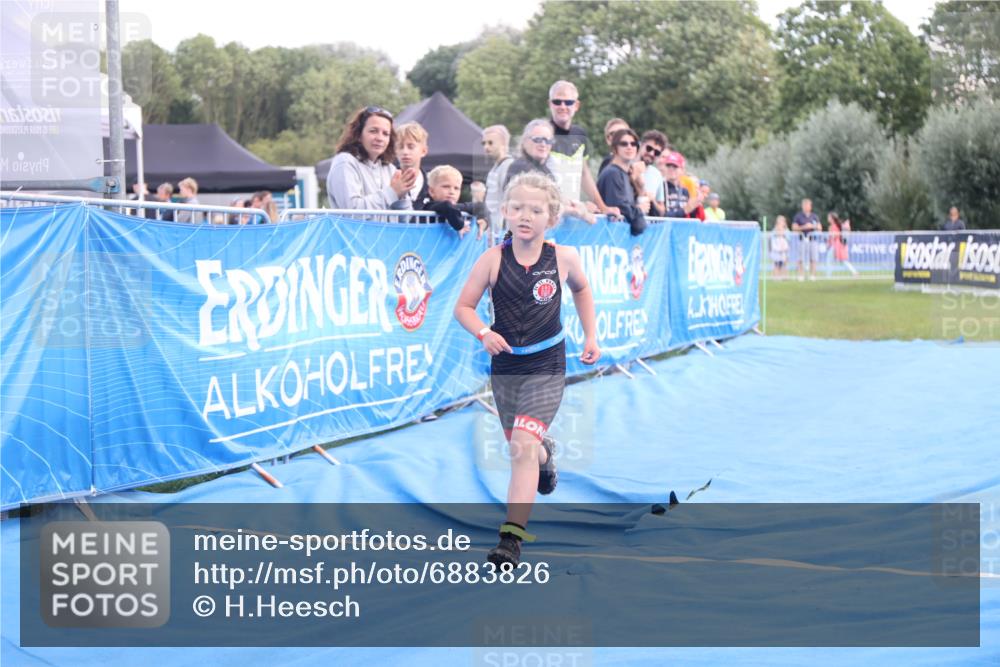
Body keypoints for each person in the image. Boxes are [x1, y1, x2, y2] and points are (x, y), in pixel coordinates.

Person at [453, 172, 601, 567]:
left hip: (547, 363)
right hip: (505, 368)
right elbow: (462, 307)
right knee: (521, 448)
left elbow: (583, 290)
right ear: (505, 212)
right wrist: (484, 332)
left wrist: (591, 336)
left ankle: (511, 539)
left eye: (535, 210)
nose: (525, 215)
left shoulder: (564, 258)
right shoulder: (492, 260)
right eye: (517, 207)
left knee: (520, 444)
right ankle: (543, 454)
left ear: (551, 218)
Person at [546, 80, 616, 215]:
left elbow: (584, 173)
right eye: (557, 102)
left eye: (568, 102)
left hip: (573, 215)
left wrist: (603, 207)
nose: (562, 106)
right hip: (548, 215)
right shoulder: (541, 133)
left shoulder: (580, 134)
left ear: (576, 105)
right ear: (550, 104)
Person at [326, 106, 416, 210]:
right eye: (373, 131)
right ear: (359, 134)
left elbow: (405, 219)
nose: (380, 138)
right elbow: (352, 211)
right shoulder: (345, 162)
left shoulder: (390, 169)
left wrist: (402, 196)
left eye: (386, 134)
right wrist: (393, 192)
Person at [596, 128, 647, 235]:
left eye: (633, 144)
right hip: (610, 238)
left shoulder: (625, 174)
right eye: (624, 144)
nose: (629, 147)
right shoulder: (612, 173)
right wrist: (639, 211)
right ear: (615, 148)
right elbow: (620, 208)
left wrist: (641, 188)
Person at [416, 165, 487, 235]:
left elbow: (480, 206)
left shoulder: (455, 207)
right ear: (431, 191)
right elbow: (447, 206)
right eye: (446, 187)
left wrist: (484, 220)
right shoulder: (429, 206)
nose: (451, 192)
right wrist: (460, 225)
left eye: (456, 188)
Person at [482, 125, 515, 240]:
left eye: (491, 143)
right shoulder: (496, 167)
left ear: (503, 144)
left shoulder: (508, 166)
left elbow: (510, 200)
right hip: (495, 231)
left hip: (503, 232)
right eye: (484, 143)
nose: (486, 147)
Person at [395, 121, 430, 204]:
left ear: (424, 151)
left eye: (411, 147)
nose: (405, 152)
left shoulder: (432, 183)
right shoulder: (386, 179)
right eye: (400, 147)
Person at [638, 130, 668, 217]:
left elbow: (662, 210)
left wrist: (653, 200)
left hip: (647, 226)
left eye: (657, 152)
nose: (651, 153)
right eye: (649, 148)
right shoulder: (628, 167)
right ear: (641, 145)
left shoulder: (657, 175)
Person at [791, 198, 822, 281]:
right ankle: (801, 275)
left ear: (810, 206)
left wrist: (812, 226)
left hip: (812, 240)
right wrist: (804, 227)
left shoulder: (814, 216)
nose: (806, 207)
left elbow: (819, 227)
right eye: (804, 205)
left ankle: (812, 275)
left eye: (807, 205)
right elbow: (794, 227)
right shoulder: (798, 216)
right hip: (802, 240)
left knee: (813, 258)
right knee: (800, 258)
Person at [661, 152, 697, 218]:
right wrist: (684, 211)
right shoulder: (661, 188)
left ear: (682, 170)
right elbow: (661, 215)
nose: (671, 169)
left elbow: (692, 216)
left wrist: (695, 205)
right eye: (668, 166)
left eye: (675, 166)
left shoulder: (685, 191)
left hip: (682, 227)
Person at [826, 212, 858, 276]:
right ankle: (854, 272)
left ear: (832, 218)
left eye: (829, 217)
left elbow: (834, 236)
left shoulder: (834, 226)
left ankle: (828, 275)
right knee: (842, 260)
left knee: (830, 259)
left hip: (836, 245)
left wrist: (829, 240)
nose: (828, 218)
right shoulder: (837, 225)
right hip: (838, 245)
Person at [770, 215, 790, 280]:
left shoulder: (786, 231)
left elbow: (789, 239)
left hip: (784, 251)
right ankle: (776, 276)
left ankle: (784, 276)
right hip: (776, 251)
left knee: (784, 264)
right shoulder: (774, 231)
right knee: (776, 264)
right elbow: (772, 239)